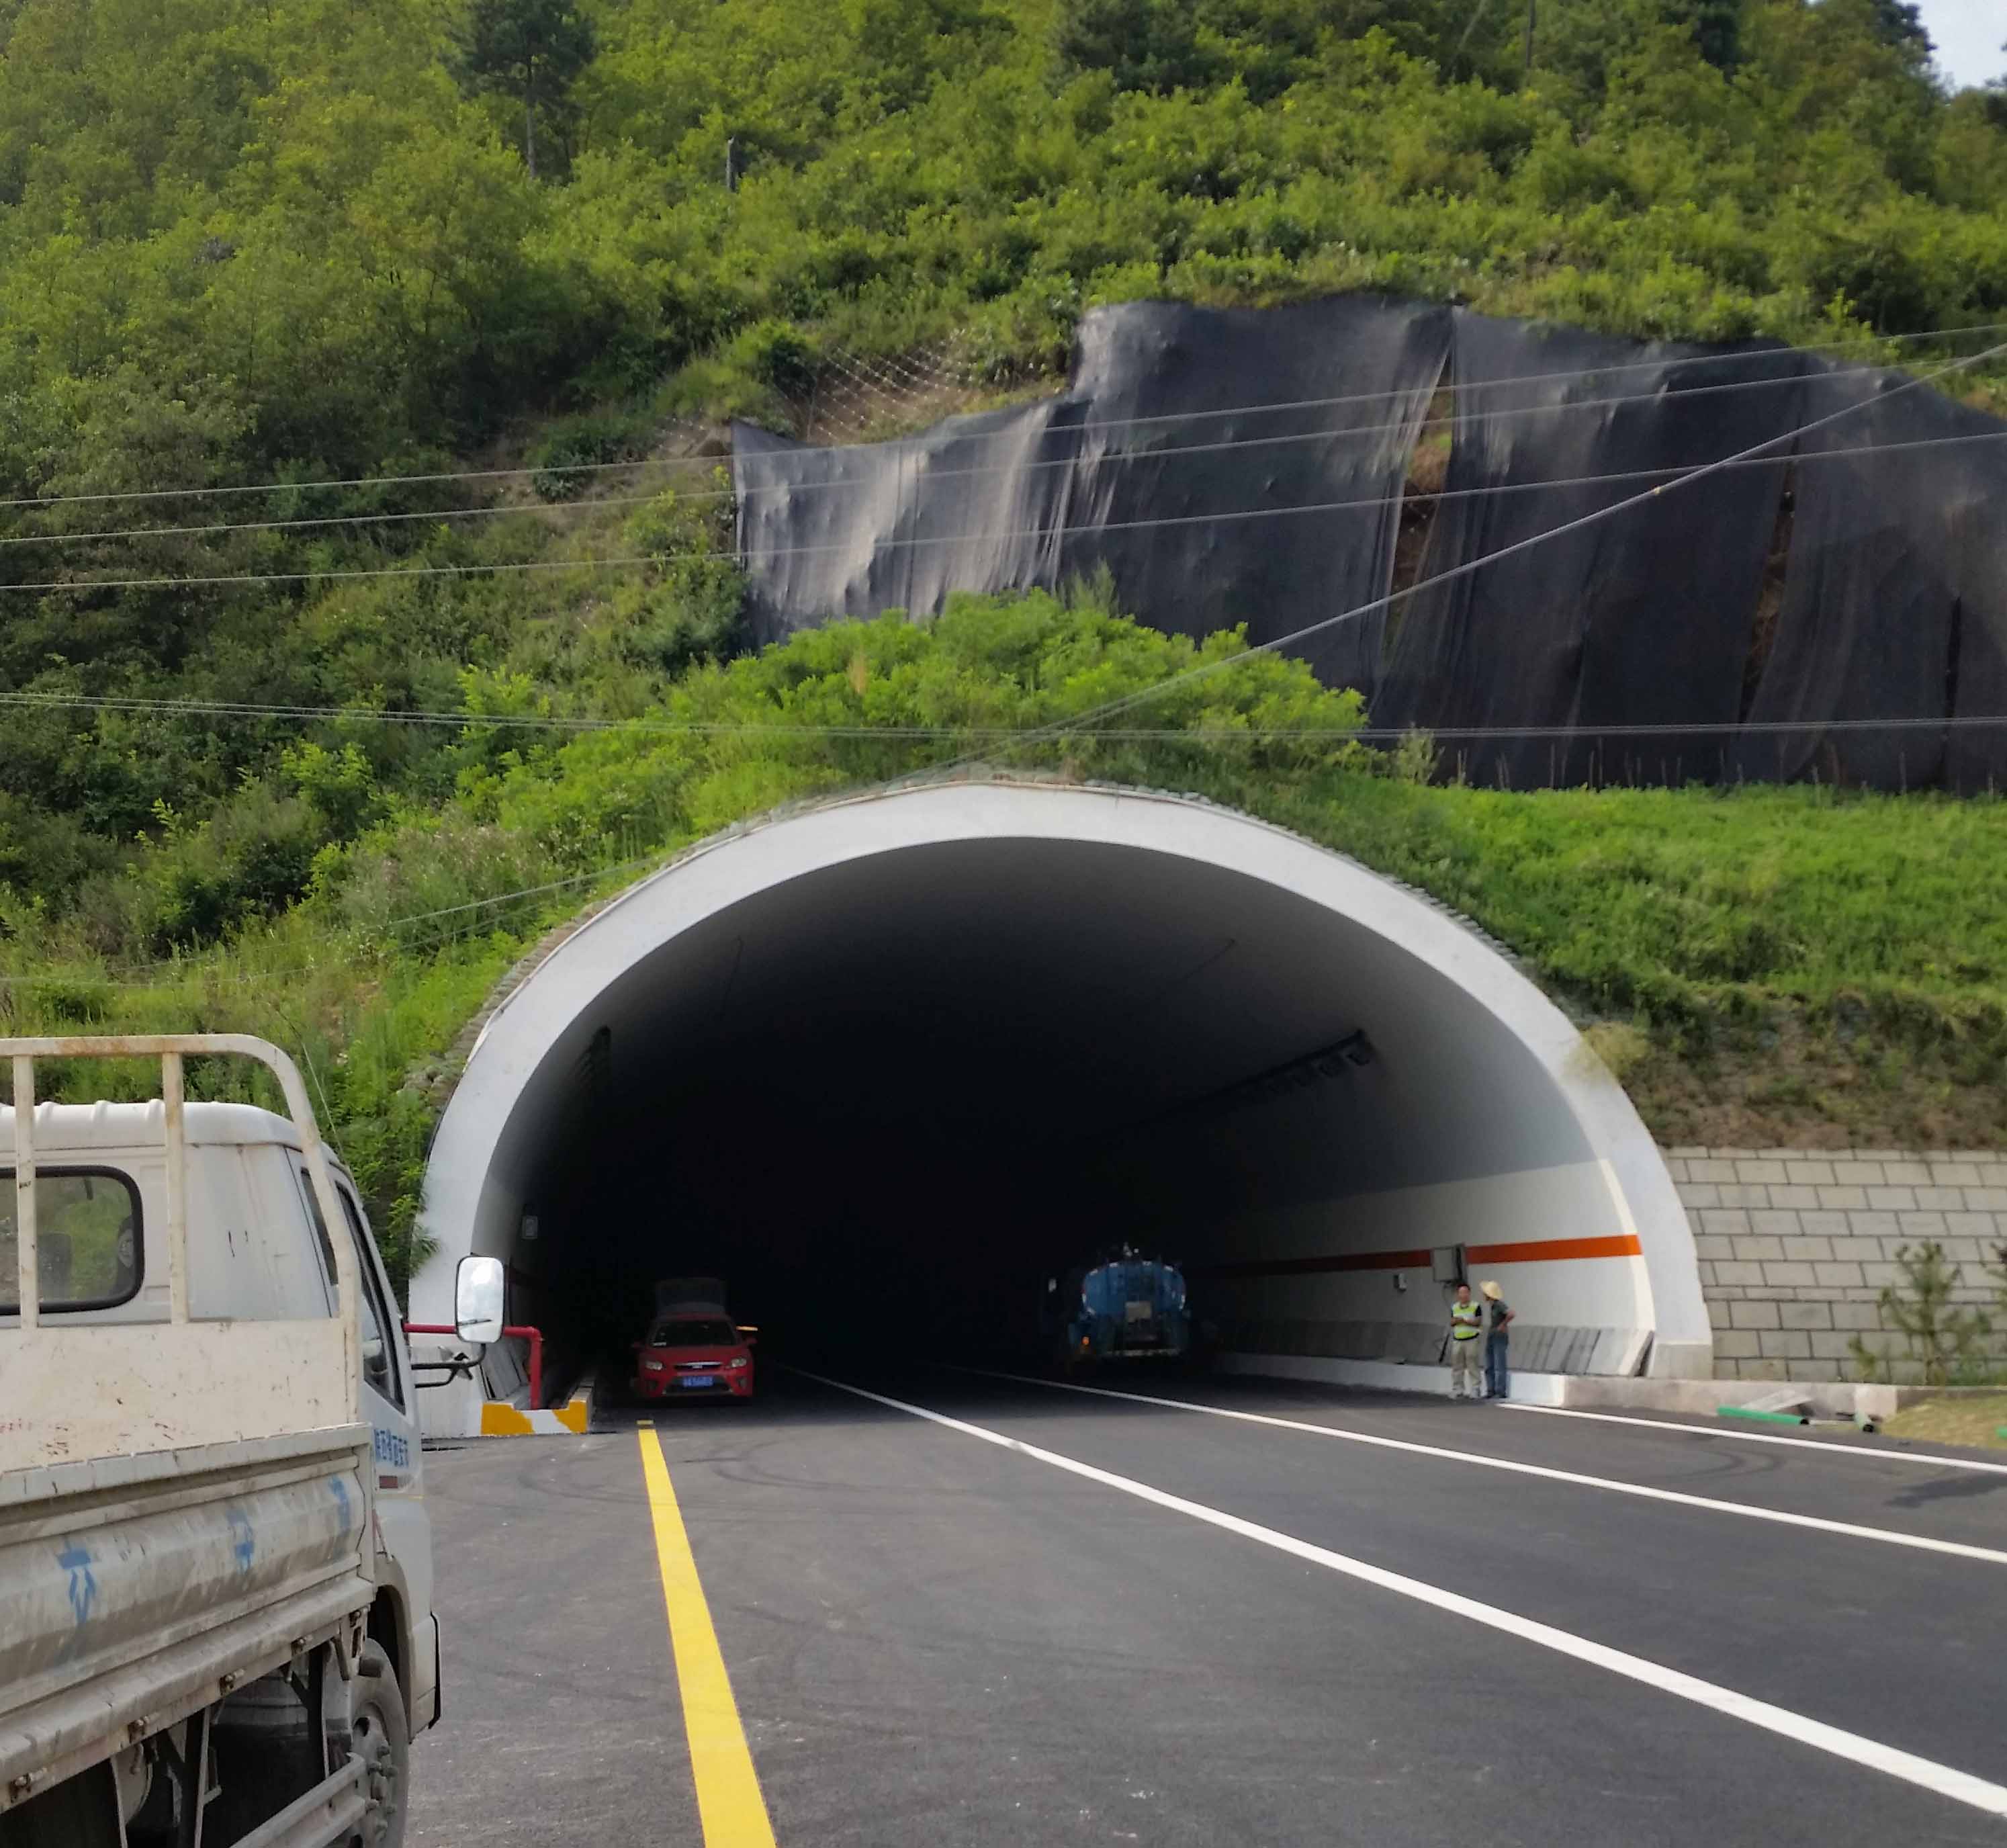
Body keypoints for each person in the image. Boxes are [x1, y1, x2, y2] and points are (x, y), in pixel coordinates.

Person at [1447, 1282, 1483, 1401]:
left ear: (1469, 1293)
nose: (1463, 1295)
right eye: (1461, 1293)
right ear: (1458, 1294)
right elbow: (1452, 1322)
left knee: (1472, 1364)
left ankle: (1475, 1388)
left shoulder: (1475, 1306)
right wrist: (1457, 1320)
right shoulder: (1455, 1307)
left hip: (1471, 1339)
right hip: (1458, 1340)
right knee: (1457, 1366)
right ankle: (1458, 1389)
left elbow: (1478, 1322)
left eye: (1465, 1292)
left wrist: (1465, 1320)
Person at [1481, 1280, 1514, 1401]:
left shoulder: (1499, 1304)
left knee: (1499, 1363)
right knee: (1490, 1363)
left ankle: (1500, 1390)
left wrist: (1503, 1324)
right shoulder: (1493, 1306)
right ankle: (1491, 1389)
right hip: (1492, 1334)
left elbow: (1511, 1313)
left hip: (1499, 1335)